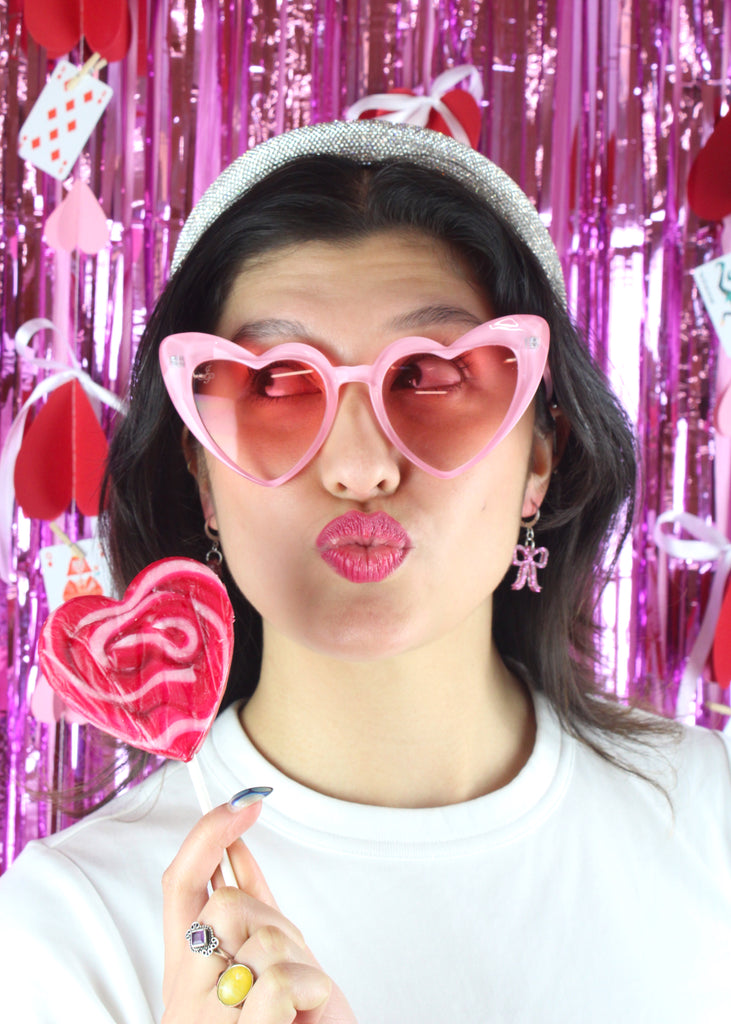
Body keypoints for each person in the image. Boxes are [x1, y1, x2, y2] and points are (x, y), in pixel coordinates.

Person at [1, 119, 730, 1024]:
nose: (359, 467)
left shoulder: (710, 820)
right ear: (200, 474)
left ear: (542, 457)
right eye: (275, 385)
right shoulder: (69, 926)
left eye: (428, 376)